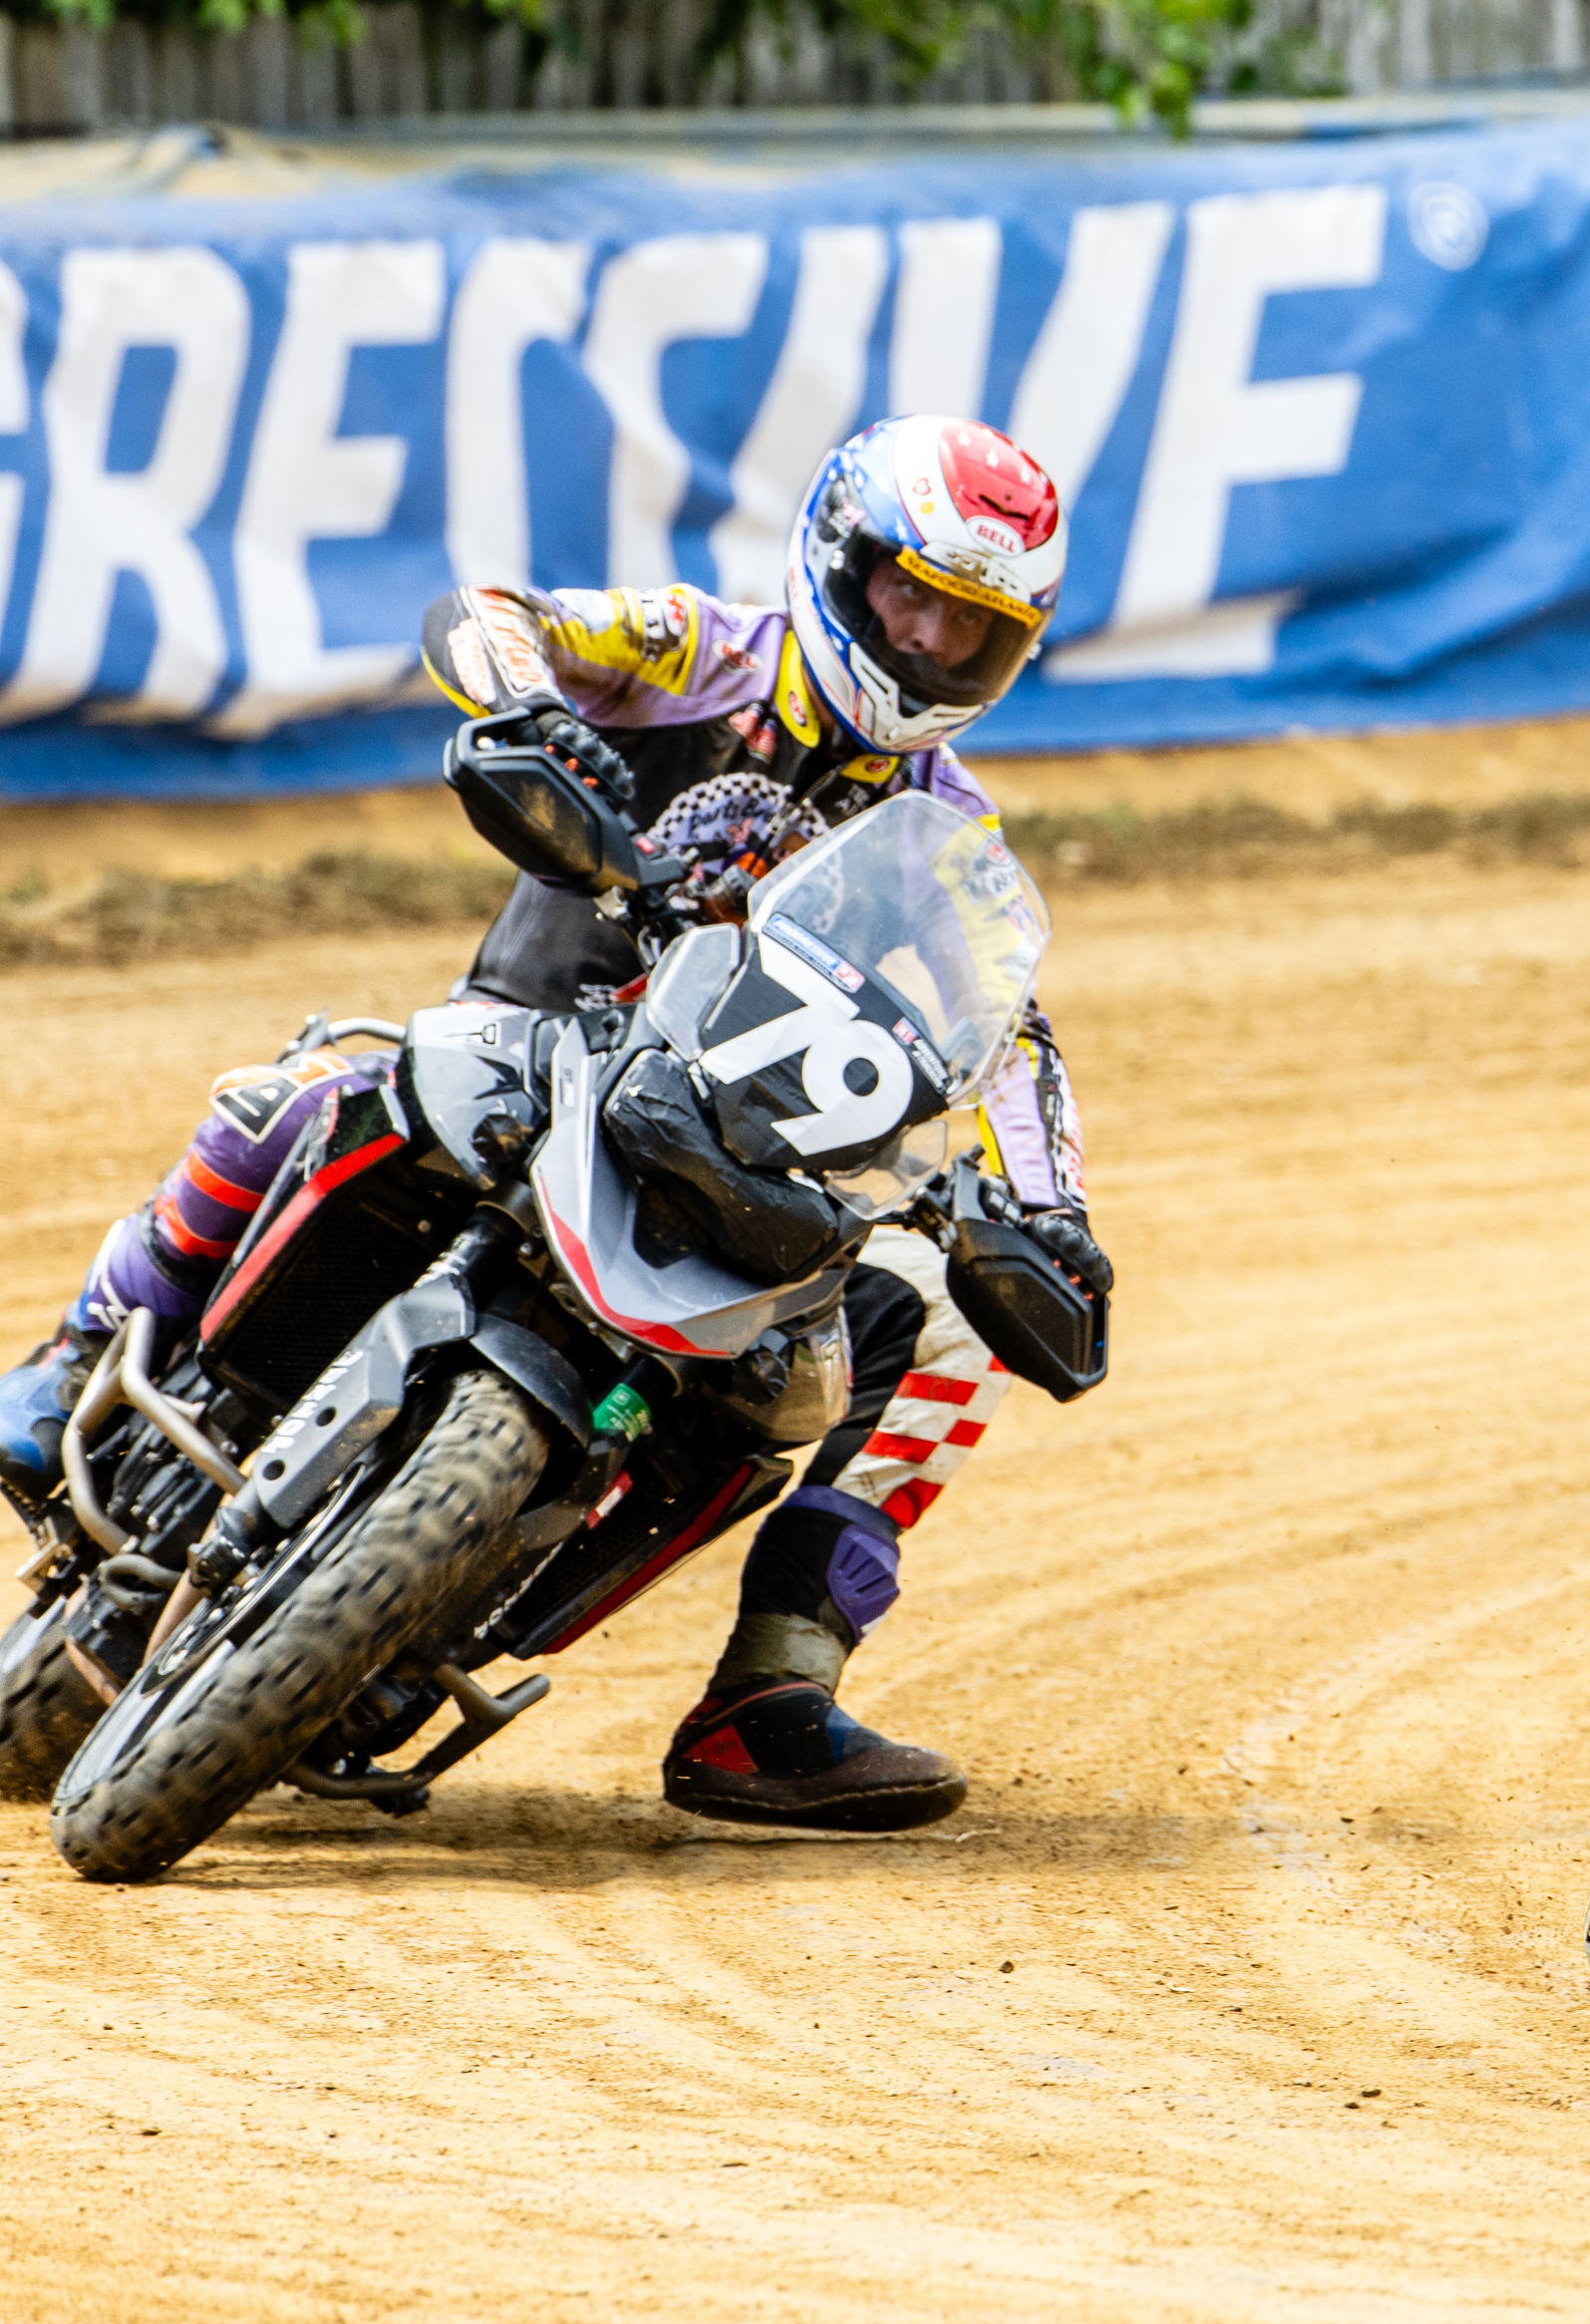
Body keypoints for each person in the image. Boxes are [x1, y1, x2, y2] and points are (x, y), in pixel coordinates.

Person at [0, 415, 1113, 1834]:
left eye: (975, 636)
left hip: (739, 1173)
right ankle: (76, 1353)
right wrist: (528, 705)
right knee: (320, 1085)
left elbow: (1011, 1038)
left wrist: (1051, 1206)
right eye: (912, 598)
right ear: (839, 558)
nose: (930, 651)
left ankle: (767, 1697)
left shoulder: (950, 843)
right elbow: (493, 615)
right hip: (537, 1041)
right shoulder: (711, 649)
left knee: (935, 1339)